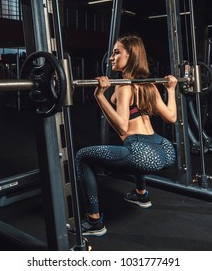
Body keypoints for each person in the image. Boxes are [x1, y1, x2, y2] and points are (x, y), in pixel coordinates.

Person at [74, 35, 177, 237]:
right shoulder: (148, 85)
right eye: (112, 53)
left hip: (142, 152)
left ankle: (94, 221)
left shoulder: (124, 86)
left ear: (131, 56)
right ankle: (141, 194)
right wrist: (171, 90)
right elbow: (172, 117)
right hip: (164, 149)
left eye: (117, 52)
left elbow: (122, 126)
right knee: (132, 150)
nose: (111, 57)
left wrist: (98, 96)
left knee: (82, 156)